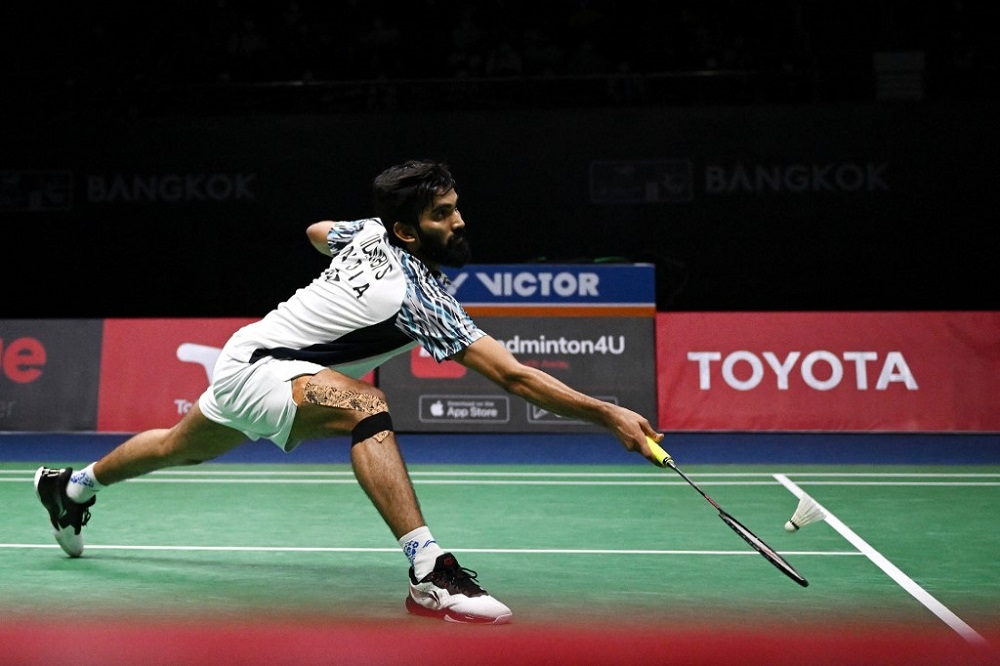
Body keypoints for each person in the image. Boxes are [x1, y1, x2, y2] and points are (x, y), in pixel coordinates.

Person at [33, 159, 664, 625]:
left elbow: (316, 230)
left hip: (247, 355)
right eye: (442, 214)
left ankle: (71, 486)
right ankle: (429, 574)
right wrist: (609, 414)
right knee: (367, 406)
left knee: (180, 446)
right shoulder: (418, 298)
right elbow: (515, 377)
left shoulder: (368, 233)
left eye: (456, 205)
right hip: (265, 365)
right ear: (409, 232)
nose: (459, 220)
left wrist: (350, 264)